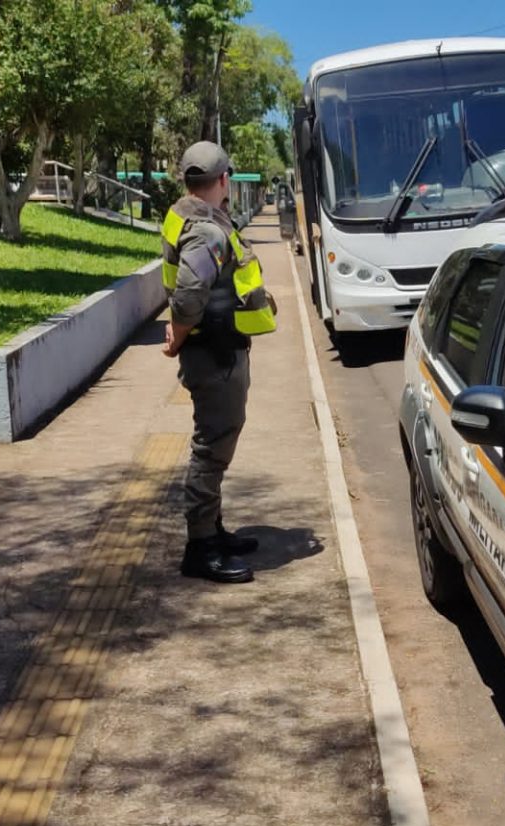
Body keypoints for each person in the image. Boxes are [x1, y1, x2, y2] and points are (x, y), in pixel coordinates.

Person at [160, 141, 277, 584]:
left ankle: (213, 528)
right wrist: (177, 337)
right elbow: (189, 295)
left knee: (217, 441)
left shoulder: (187, 215)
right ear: (224, 180)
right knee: (211, 448)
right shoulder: (207, 232)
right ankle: (201, 548)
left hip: (214, 348)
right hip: (214, 353)